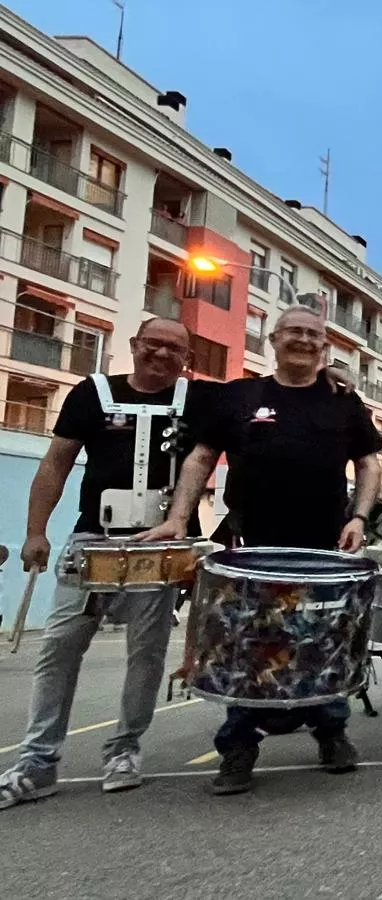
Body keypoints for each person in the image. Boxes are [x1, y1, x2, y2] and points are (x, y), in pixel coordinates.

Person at [143, 306, 382, 795]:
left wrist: (359, 517)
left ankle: (331, 732)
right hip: (252, 546)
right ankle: (237, 747)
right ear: (273, 340)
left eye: (313, 334)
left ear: (324, 347)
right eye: (293, 331)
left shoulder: (344, 402)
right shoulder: (240, 396)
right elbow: (200, 458)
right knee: (249, 646)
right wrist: (176, 517)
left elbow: (369, 463)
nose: (303, 339)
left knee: (324, 642)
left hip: (324, 545)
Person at [1, 318, 211, 809]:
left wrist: (333, 376)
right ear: (134, 346)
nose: (161, 354)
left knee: (147, 653)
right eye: (152, 344)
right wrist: (35, 531)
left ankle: (124, 749)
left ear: (187, 358)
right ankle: (38, 761)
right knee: (59, 651)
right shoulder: (91, 393)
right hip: (91, 540)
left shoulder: (199, 403)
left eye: (174, 348)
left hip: (159, 545)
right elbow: (55, 462)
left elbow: (262, 398)